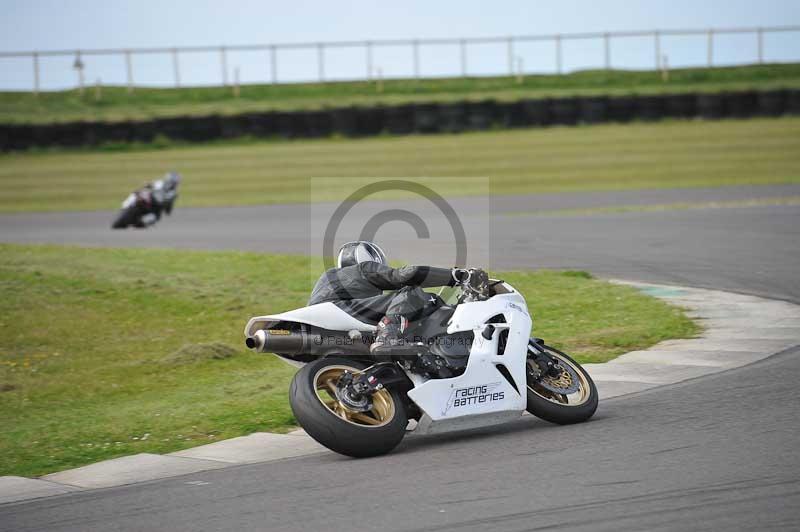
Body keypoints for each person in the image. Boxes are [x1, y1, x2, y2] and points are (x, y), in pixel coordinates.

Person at [308, 241, 487, 355]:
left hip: (320, 331)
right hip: (338, 315)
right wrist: (458, 276)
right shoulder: (362, 269)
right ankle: (387, 336)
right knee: (411, 292)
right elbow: (406, 275)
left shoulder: (330, 281)